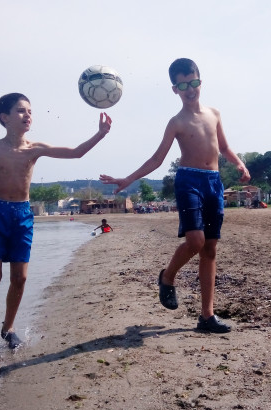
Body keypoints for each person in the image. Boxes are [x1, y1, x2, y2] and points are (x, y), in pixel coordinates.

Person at [100, 58, 250, 334]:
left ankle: (207, 316)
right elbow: (157, 159)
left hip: (213, 182)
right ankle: (168, 278)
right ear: (175, 89)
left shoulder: (214, 113)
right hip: (188, 181)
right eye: (183, 85)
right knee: (195, 241)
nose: (190, 89)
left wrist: (239, 164)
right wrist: (128, 179)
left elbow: (225, 147)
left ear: (200, 82)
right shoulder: (176, 122)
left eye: (193, 82)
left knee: (210, 248)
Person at [0, 93, 112, 362]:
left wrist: (99, 134)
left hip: (22, 213)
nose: (28, 115)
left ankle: (8, 328)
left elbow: (76, 153)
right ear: (4, 117)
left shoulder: (35, 148)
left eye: (30, 111)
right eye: (21, 111)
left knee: (20, 277)